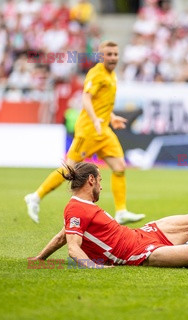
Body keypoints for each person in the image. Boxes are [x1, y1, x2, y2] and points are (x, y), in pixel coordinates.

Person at [30, 162, 188, 268]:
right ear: (92, 180)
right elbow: (73, 247)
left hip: (143, 234)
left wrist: (40, 257)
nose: (102, 187)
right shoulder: (75, 208)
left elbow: (63, 236)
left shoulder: (79, 208)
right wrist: (94, 268)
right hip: (139, 254)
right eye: (101, 182)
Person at [25, 41, 144, 224]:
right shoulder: (96, 74)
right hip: (88, 130)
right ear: (101, 56)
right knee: (69, 169)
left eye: (115, 54)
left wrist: (111, 117)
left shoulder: (112, 75)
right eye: (109, 54)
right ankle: (35, 196)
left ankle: (121, 211)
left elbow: (100, 102)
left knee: (119, 166)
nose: (113, 58)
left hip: (103, 130)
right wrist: (95, 119)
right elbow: (86, 98)